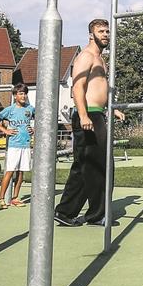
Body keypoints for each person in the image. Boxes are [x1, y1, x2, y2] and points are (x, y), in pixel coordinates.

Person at [54, 19, 124, 227]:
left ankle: (65, 212)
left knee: (85, 166)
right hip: (89, 116)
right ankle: (96, 214)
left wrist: (113, 108)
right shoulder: (85, 56)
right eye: (101, 31)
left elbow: (102, 88)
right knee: (97, 167)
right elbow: (78, 87)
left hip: (98, 114)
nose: (105, 34)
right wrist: (84, 115)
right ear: (90, 35)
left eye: (107, 31)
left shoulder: (100, 59)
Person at [0, 83, 34, 209]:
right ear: (15, 96)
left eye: (25, 93)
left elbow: (40, 121)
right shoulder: (10, 110)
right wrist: (5, 131)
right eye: (20, 93)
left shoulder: (30, 109)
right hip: (14, 145)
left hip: (25, 145)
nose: (23, 96)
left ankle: (15, 197)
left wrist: (33, 130)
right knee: (9, 171)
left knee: (21, 172)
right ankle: (1, 199)